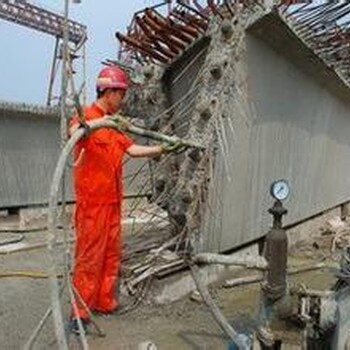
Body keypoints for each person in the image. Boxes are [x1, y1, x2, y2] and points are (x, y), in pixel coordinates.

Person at [68, 65, 179, 333]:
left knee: (111, 255)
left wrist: (161, 148)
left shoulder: (116, 125)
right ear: (109, 91)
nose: (123, 100)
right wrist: (99, 123)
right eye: (121, 94)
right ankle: (80, 312)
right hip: (93, 205)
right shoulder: (86, 116)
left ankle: (104, 301)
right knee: (89, 257)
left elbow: (132, 149)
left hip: (114, 203)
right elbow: (74, 133)